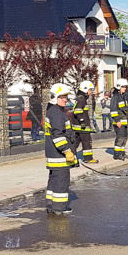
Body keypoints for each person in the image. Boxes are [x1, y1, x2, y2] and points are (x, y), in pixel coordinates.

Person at [44, 83, 78, 215]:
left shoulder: (53, 111)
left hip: (53, 153)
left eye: (66, 97)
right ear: (55, 97)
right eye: (63, 97)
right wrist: (67, 150)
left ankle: (51, 205)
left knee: (53, 181)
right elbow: (58, 135)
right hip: (60, 155)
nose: (66, 99)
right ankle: (59, 208)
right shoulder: (57, 113)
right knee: (61, 181)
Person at [73, 80, 99, 163]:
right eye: (90, 90)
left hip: (78, 126)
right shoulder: (82, 99)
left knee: (75, 143)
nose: (91, 92)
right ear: (85, 89)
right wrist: (82, 121)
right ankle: (88, 158)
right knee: (87, 142)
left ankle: (71, 157)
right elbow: (77, 111)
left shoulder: (80, 98)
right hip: (82, 126)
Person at [110, 78, 128, 160]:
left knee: (125, 137)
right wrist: (117, 121)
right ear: (119, 87)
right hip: (119, 122)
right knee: (120, 138)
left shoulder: (124, 97)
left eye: (125, 87)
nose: (125, 88)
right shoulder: (115, 97)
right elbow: (113, 110)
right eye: (123, 87)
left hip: (124, 121)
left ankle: (122, 153)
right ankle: (117, 154)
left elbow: (127, 109)